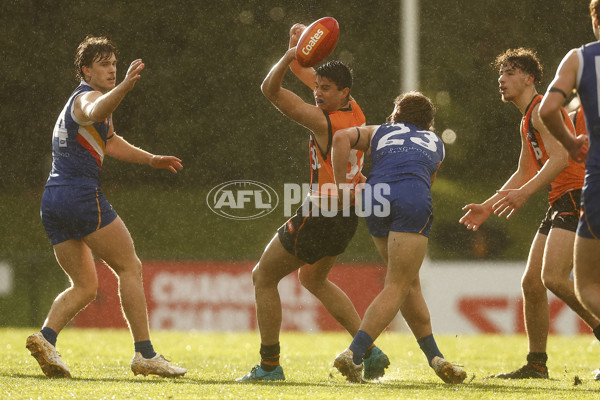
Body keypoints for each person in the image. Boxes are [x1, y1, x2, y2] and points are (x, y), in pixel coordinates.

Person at [236, 23, 390, 382]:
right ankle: (368, 349)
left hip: (320, 212)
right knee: (314, 280)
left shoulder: (322, 121)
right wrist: (302, 49)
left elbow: (269, 90)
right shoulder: (355, 110)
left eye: (325, 89)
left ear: (343, 92)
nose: (318, 93)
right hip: (347, 213)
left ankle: (270, 366)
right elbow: (309, 76)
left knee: (262, 277)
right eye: (317, 88)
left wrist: (290, 56)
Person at [26, 36, 186, 378]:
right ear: (86, 70)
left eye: (114, 63)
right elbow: (95, 111)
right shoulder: (87, 98)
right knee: (130, 266)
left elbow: (109, 141)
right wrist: (126, 86)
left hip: (53, 199)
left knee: (84, 286)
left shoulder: (89, 101)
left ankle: (45, 338)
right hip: (79, 195)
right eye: (104, 64)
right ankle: (145, 354)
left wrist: (151, 159)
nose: (112, 69)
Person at [460, 48, 600, 379]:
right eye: (500, 74)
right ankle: (537, 364)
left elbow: (561, 160)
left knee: (552, 278)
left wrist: (523, 195)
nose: (501, 79)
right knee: (532, 284)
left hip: (576, 196)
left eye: (509, 73)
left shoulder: (540, 111)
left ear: (529, 78)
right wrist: (488, 206)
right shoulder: (528, 117)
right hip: (561, 199)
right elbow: (524, 170)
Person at [330, 92, 467, 384]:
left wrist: (341, 186)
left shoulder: (381, 130)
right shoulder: (436, 143)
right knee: (398, 284)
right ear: (428, 122)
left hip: (375, 199)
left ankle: (435, 358)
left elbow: (341, 138)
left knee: (408, 285)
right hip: (411, 200)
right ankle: (354, 354)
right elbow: (425, 180)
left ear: (397, 114)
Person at [539, 0, 600, 380]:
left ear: (595, 18)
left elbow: (548, 110)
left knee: (588, 283)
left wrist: (571, 140)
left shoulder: (579, 58)